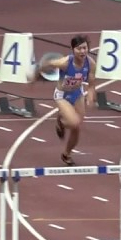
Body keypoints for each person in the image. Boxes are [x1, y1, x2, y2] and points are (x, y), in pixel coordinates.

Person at [38, 36, 96, 166]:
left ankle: (66, 154)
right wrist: (37, 74)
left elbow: (91, 85)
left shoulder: (90, 64)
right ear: (72, 49)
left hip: (77, 93)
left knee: (77, 127)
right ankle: (61, 120)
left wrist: (90, 95)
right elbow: (48, 64)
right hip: (62, 95)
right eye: (79, 48)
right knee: (73, 122)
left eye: (85, 48)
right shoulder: (65, 62)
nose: (82, 51)